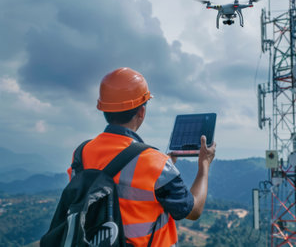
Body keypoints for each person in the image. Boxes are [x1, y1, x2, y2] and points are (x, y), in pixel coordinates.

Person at [67, 67, 216, 246]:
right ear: (141, 112)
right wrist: (204, 165)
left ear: (104, 109)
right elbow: (193, 210)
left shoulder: (82, 152)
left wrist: (162, 166)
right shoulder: (155, 163)